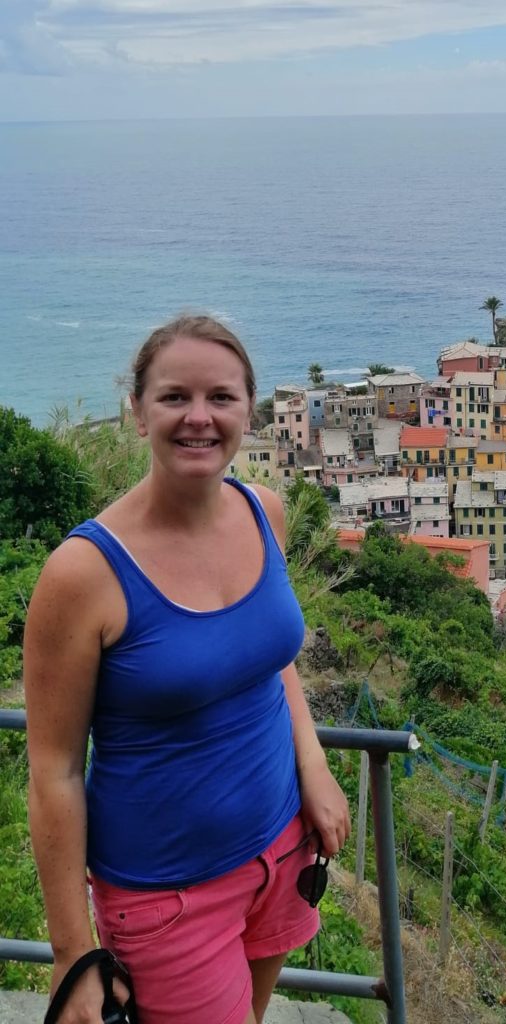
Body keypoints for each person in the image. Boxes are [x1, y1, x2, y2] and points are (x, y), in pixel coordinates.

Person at [24, 315, 351, 1024]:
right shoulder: (83, 574)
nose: (198, 417)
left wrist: (314, 766)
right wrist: (71, 953)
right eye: (174, 397)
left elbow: (267, 661)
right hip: (166, 897)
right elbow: (53, 771)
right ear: (136, 412)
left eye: (221, 398)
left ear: (248, 411)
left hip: (281, 849)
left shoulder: (263, 511)